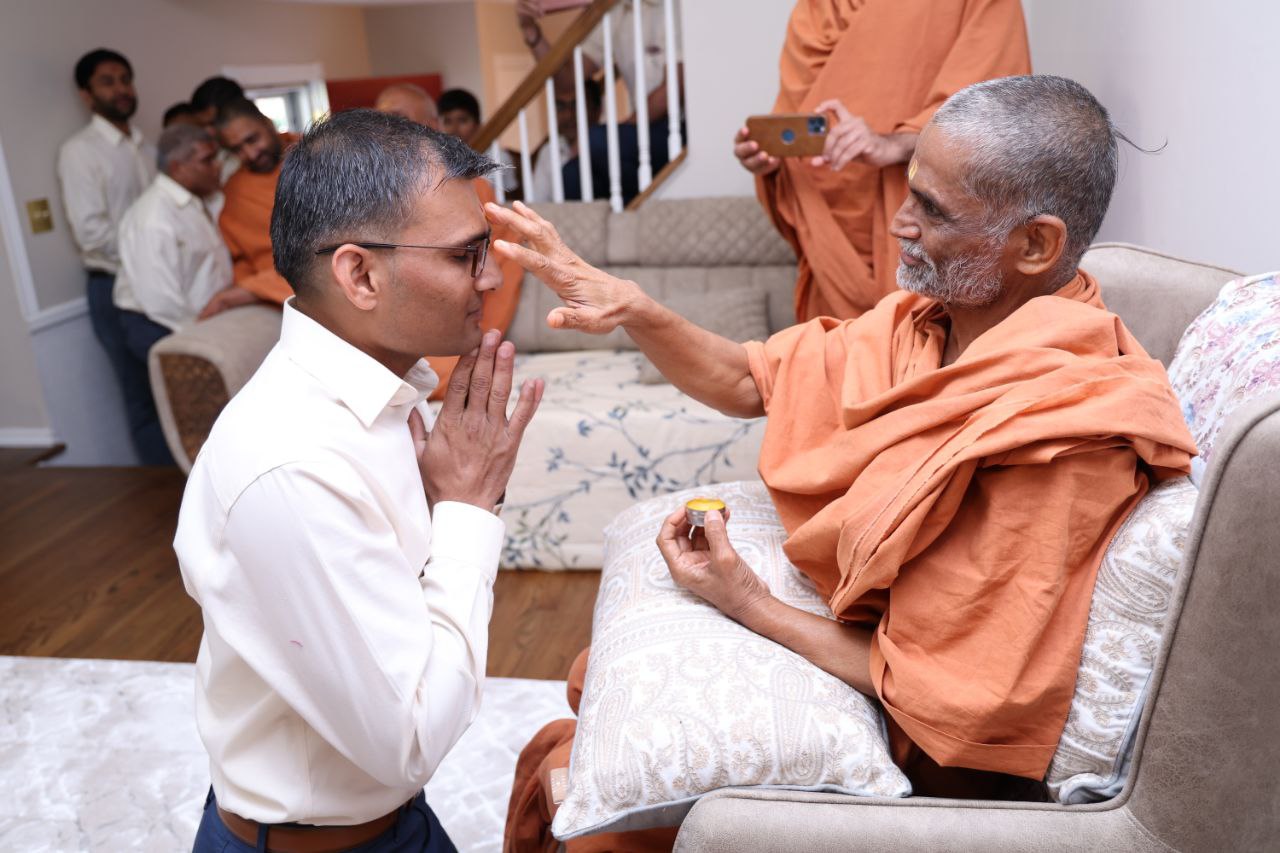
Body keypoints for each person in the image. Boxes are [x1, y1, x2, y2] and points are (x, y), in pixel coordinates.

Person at [491, 75, 1197, 849]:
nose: (899, 223)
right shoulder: (925, 322)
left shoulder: (1064, 432)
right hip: (857, 655)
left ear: (1036, 245)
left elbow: (948, 695)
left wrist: (747, 599)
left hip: (924, 765)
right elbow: (749, 379)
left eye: (932, 209)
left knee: (596, 825)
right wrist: (633, 305)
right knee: (588, 708)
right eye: (910, 190)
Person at [178, 108, 545, 853]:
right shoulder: (293, 465)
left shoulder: (384, 399)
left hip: (391, 819)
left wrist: (440, 508)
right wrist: (467, 510)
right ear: (360, 274)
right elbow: (409, 738)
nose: (492, 276)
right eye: (466, 254)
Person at [734, 0, 1030, 322]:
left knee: (930, 341)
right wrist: (769, 161)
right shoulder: (814, 9)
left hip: (922, 220)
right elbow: (795, 123)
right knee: (834, 350)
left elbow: (996, 121)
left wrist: (891, 144)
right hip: (827, 237)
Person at [376, 83, 526, 399]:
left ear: (431, 126)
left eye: (397, 119)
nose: (384, 130)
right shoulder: (370, 191)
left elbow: (492, 258)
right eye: (379, 120)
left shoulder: (468, 188)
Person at [56, 48, 168, 464]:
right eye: (108, 82)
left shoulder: (147, 148)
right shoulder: (80, 152)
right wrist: (147, 255)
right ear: (86, 94)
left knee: (174, 385)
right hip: (113, 288)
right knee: (141, 394)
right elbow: (91, 233)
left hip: (159, 282)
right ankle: (162, 490)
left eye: (125, 79)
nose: (121, 89)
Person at [518, 0, 682, 204]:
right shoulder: (617, 12)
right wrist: (531, 33)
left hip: (678, 129)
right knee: (570, 174)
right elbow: (567, 80)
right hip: (641, 135)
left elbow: (674, 88)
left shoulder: (674, 7)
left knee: (595, 140)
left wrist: (617, 132)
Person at [114, 125, 233, 351]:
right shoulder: (153, 217)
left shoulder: (199, 200)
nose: (217, 166)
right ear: (177, 167)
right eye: (207, 160)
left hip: (203, 321)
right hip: (162, 326)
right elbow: (160, 300)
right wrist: (202, 338)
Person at [211, 98, 297, 313]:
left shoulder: (319, 153)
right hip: (277, 295)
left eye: (252, 139)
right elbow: (239, 263)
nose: (250, 154)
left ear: (268, 123)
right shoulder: (235, 192)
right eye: (237, 150)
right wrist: (254, 289)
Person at [529, 78, 603, 203]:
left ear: (597, 110)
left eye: (576, 105)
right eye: (560, 106)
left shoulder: (611, 148)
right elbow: (537, 203)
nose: (568, 115)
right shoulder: (548, 152)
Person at [439, 88, 519, 196]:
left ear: (477, 124)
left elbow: (511, 194)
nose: (454, 128)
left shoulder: (498, 157)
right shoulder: (439, 158)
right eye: (448, 121)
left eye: (462, 120)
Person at [191, 75, 245, 182]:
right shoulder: (211, 159)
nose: (208, 132)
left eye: (213, 123)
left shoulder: (261, 154)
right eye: (201, 125)